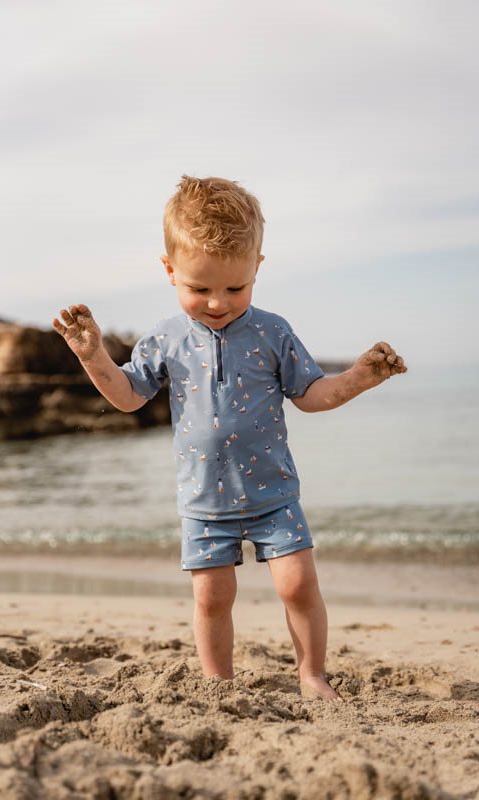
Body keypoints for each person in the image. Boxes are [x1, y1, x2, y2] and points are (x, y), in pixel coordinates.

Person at [52, 175, 407, 702]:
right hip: (204, 501)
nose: (218, 303)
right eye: (200, 289)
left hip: (274, 494)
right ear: (170, 270)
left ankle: (312, 674)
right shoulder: (166, 339)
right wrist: (92, 356)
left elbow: (311, 395)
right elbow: (128, 396)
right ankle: (218, 686)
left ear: (257, 267)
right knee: (212, 598)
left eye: (235, 288)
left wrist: (358, 377)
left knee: (298, 586)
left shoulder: (272, 332)